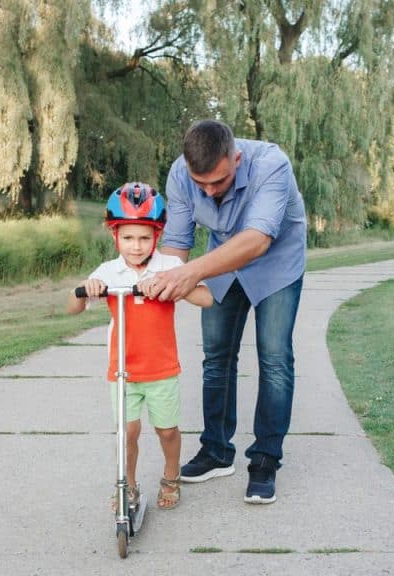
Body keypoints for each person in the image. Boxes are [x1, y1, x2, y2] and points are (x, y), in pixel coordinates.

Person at [149, 119, 307, 504]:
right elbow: (177, 244)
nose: (208, 190)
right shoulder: (180, 174)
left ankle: (265, 460)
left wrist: (191, 272)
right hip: (221, 260)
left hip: (275, 261)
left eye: (217, 182)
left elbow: (256, 240)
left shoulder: (271, 164)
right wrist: (162, 282)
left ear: (235, 158)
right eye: (200, 182)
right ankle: (217, 452)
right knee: (216, 355)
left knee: (274, 358)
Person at [67, 182, 212, 512]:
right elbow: (72, 306)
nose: (136, 246)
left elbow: (206, 298)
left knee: (166, 430)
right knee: (127, 433)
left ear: (157, 236)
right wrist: (87, 288)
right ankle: (127, 485)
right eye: (128, 237)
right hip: (123, 371)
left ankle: (171, 475)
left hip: (161, 370)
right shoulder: (108, 272)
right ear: (114, 235)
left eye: (145, 238)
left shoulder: (170, 266)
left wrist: (170, 286)